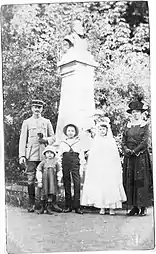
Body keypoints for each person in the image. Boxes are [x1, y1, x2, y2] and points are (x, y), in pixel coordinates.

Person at [81, 118, 127, 215]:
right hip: (99, 166)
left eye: (104, 129)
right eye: (100, 129)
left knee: (110, 185)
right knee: (100, 185)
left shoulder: (110, 141)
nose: (102, 131)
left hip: (109, 166)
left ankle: (111, 208)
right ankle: (101, 207)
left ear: (107, 130)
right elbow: (93, 154)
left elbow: (114, 155)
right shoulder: (96, 141)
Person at [19, 99, 55, 212]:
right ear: (31, 108)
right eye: (35, 107)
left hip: (44, 155)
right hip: (31, 155)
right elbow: (22, 140)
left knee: (46, 179)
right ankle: (31, 204)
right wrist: (22, 155)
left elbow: (54, 138)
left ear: (42, 109)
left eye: (39, 107)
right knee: (30, 180)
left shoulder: (46, 122)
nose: (37, 109)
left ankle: (45, 204)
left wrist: (46, 139)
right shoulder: (27, 122)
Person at [122, 98, 152, 216]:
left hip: (140, 157)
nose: (135, 114)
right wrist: (126, 150)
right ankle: (134, 207)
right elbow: (123, 140)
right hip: (129, 157)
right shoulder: (128, 126)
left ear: (141, 113)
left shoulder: (144, 125)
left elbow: (145, 142)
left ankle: (143, 207)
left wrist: (135, 151)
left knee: (140, 181)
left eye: (137, 112)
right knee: (130, 181)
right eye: (133, 112)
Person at [58, 123, 85, 214]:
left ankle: (77, 206)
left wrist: (81, 167)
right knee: (67, 182)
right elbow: (59, 155)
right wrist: (59, 166)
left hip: (75, 162)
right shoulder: (62, 143)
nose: (70, 133)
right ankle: (68, 205)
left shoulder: (79, 142)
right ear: (66, 132)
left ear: (75, 132)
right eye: (69, 131)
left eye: (72, 131)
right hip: (65, 163)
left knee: (77, 183)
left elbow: (81, 155)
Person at [36, 145, 62, 214]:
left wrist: (59, 180)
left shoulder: (56, 163)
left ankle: (49, 208)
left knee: (51, 194)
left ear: (54, 154)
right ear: (45, 154)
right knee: (43, 194)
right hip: (44, 181)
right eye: (47, 153)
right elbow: (39, 171)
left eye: (51, 153)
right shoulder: (43, 162)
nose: (49, 154)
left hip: (52, 182)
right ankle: (42, 207)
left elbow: (59, 171)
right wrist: (39, 181)